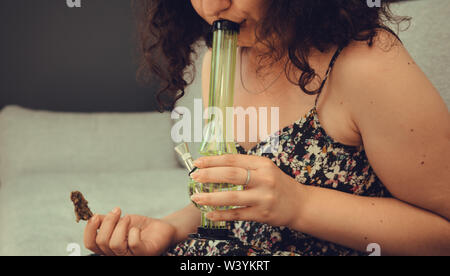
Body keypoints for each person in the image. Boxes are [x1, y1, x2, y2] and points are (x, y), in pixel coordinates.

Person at [83, 0, 450, 256]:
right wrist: (170, 229)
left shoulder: (368, 64)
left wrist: (301, 204)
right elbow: (239, 201)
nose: (212, 7)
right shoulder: (220, 60)